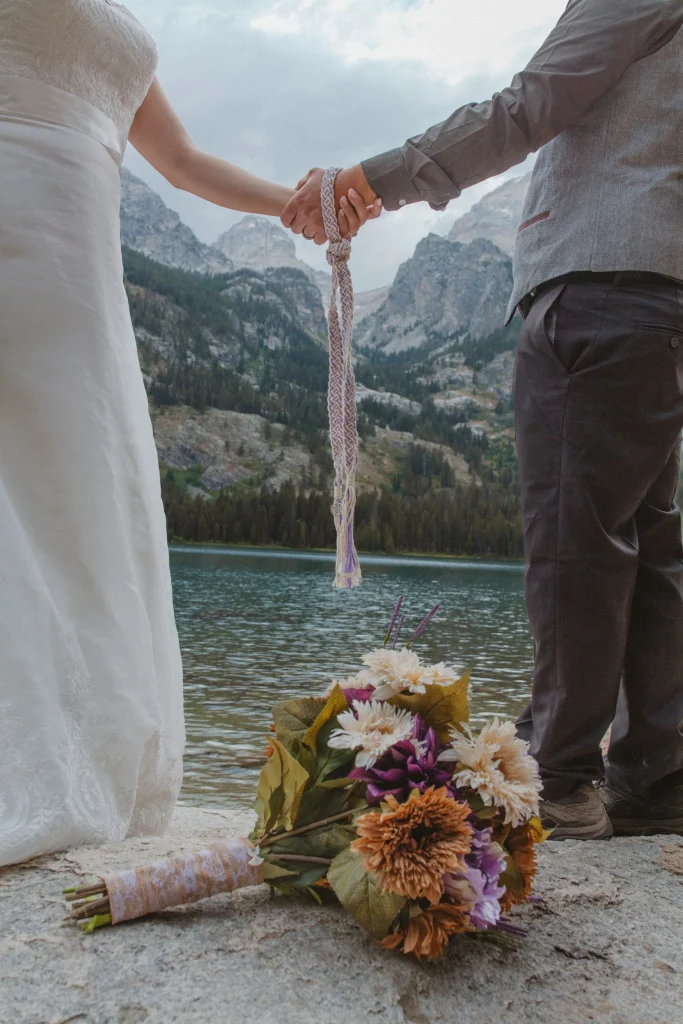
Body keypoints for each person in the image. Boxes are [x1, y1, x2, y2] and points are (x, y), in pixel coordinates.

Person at [283, 0, 683, 839]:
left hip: (598, 285)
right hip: (660, 297)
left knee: (577, 538)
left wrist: (375, 179)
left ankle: (555, 777)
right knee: (648, 545)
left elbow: (529, 103)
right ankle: (655, 777)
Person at [0, 0, 375, 868]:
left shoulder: (116, 21)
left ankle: (80, 756)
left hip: (79, 252)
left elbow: (181, 161)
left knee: (87, 475)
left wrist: (307, 201)